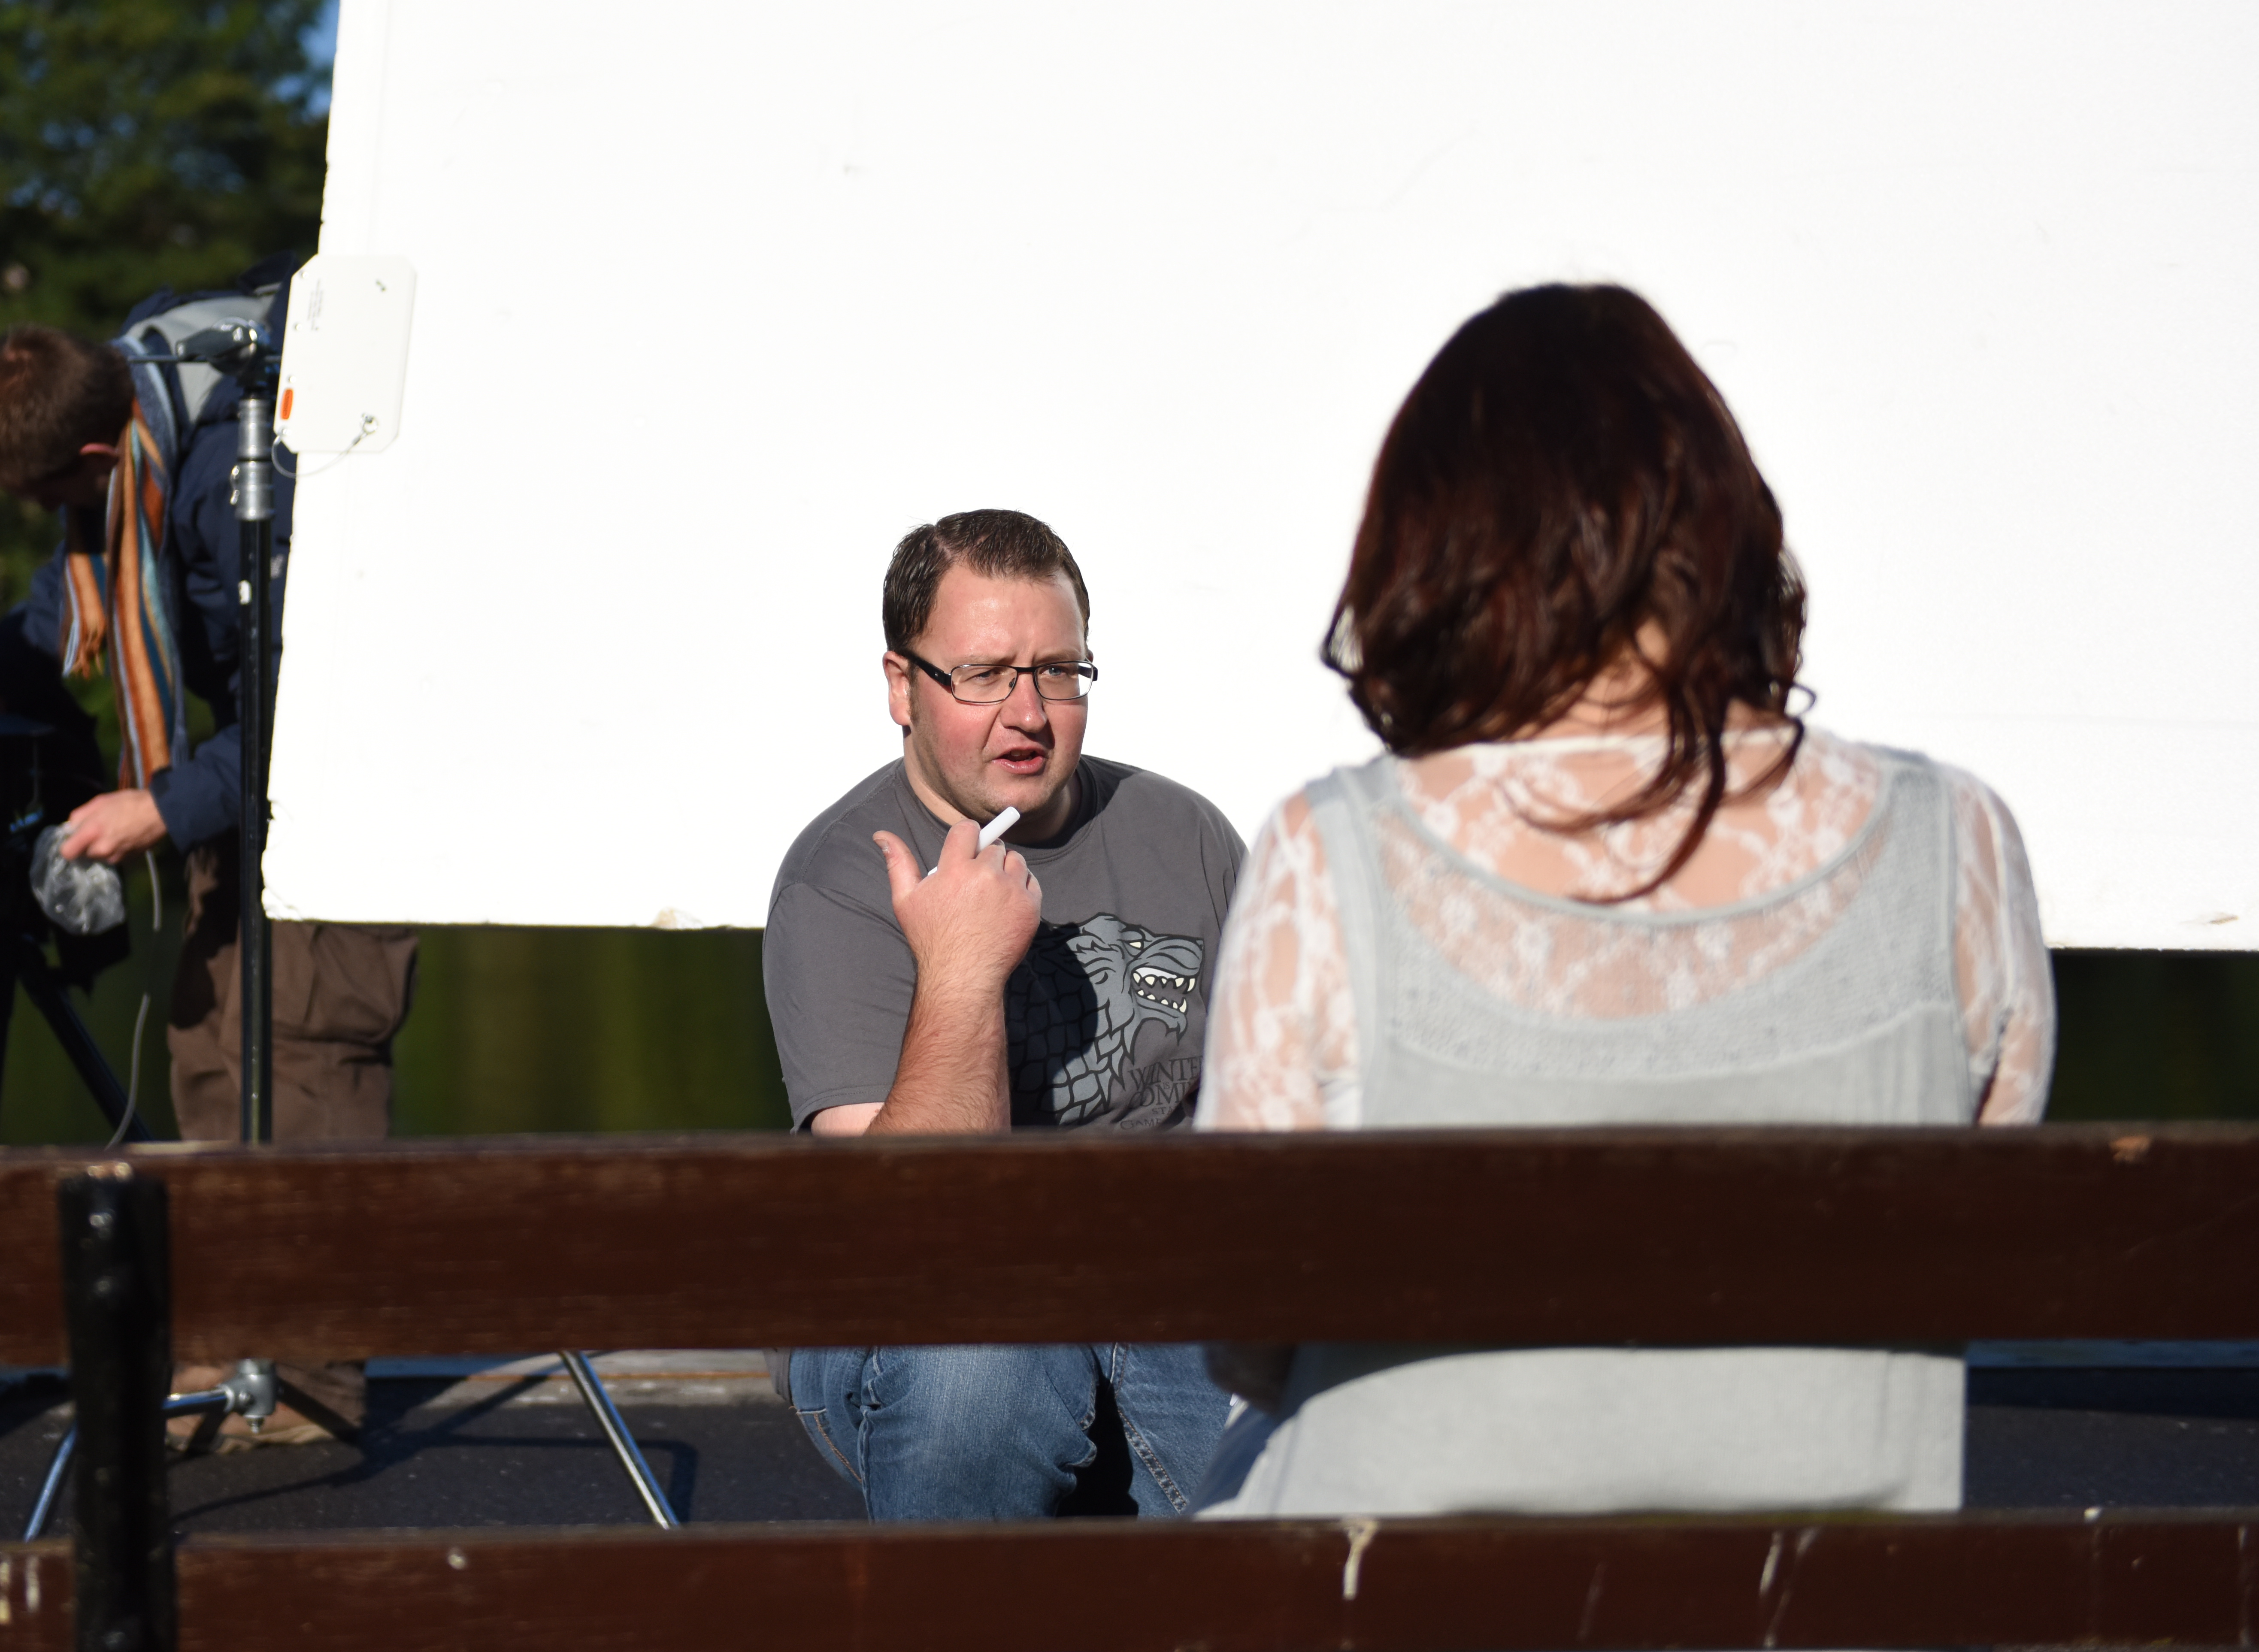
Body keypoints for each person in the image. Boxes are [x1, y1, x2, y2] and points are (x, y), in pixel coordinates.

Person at [1198, 281, 2055, 1518]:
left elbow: (1249, 1333)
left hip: (1410, 1610)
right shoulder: (1953, 843)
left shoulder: (1329, 852)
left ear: (1430, 548)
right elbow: (1970, 1259)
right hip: (1825, 1614)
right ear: (1725, 536)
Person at [0, 286, 418, 1446]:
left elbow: (304, 700)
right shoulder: (126, 440)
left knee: (306, 1056)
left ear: (101, 452)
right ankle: (228, 1345)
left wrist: (158, 807)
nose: (59, 518)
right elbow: (76, 592)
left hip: (333, 785)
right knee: (208, 1050)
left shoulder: (234, 478)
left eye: (60, 495)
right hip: (237, 791)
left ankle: (311, 1385)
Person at [764, 508, 1248, 1519]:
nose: (1027, 711)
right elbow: (923, 1224)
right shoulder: (843, 876)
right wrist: (959, 969)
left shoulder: (1185, 832)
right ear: (901, 685)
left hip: (1156, 1278)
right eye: (982, 673)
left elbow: (1260, 1119)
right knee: (983, 1360)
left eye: (1058, 670)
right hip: (922, 1301)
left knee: (1298, 1473)